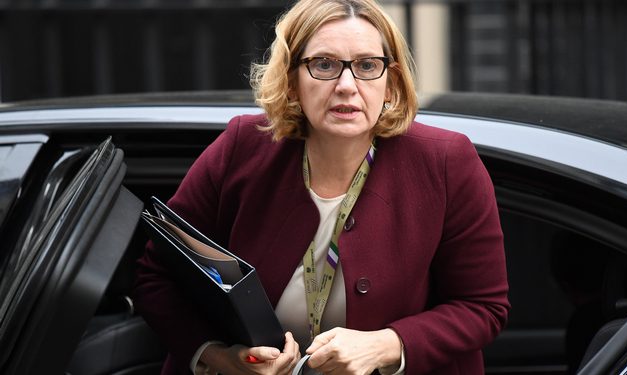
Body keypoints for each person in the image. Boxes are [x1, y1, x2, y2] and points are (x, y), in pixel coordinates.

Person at [132, 0, 510, 374]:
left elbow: (482, 306)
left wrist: (385, 345)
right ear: (292, 81)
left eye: (366, 65)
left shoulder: (446, 162)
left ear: (390, 83)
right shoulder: (241, 147)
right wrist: (220, 357)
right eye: (324, 64)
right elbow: (157, 274)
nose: (347, 85)